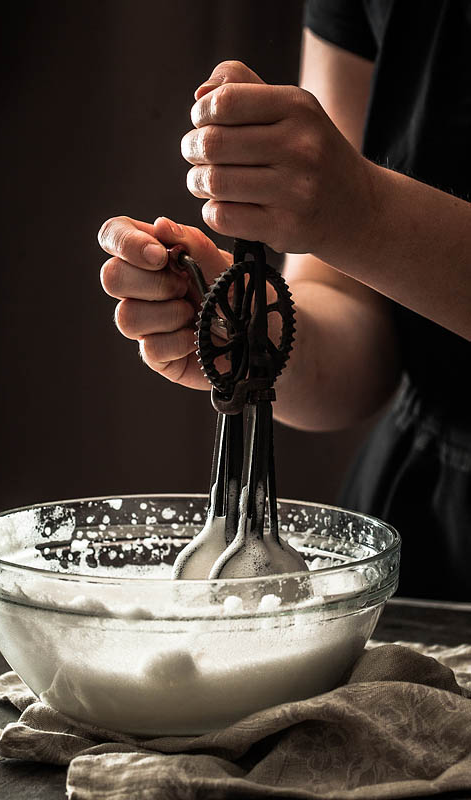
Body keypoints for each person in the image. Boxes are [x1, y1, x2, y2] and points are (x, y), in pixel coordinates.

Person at [98, 1, 471, 601]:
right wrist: (248, 335)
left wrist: (367, 213)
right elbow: (355, 320)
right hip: (426, 519)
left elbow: (360, 221)